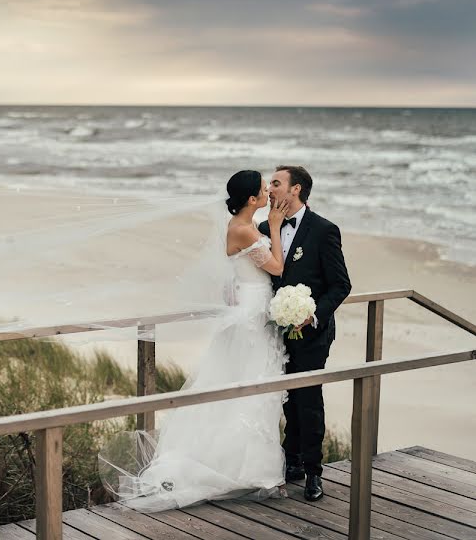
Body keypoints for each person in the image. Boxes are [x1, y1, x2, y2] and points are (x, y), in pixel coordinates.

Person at [99, 170, 293, 510]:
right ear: (252, 199)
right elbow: (276, 268)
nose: (267, 194)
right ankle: (241, 470)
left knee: (254, 387)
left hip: (253, 307)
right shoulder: (244, 229)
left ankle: (253, 469)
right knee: (248, 384)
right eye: (263, 190)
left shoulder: (241, 226)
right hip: (250, 315)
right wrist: (275, 226)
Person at [258, 165, 351, 501]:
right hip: (275, 333)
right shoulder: (262, 228)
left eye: (277, 183)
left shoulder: (324, 230)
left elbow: (341, 285)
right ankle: (291, 460)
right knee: (287, 399)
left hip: (312, 333)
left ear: (295, 190)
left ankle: (314, 472)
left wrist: (312, 315)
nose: (270, 189)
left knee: (309, 401)